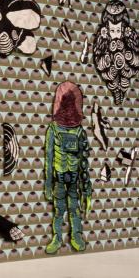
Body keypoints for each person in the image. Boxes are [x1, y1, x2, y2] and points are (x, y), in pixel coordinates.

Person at [43, 81, 91, 253]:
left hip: (74, 177)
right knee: (59, 210)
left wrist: (86, 189)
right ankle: (57, 237)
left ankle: (76, 236)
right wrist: (48, 184)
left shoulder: (79, 131)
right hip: (59, 177)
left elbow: (84, 162)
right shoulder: (53, 129)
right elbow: (49, 158)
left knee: (74, 209)